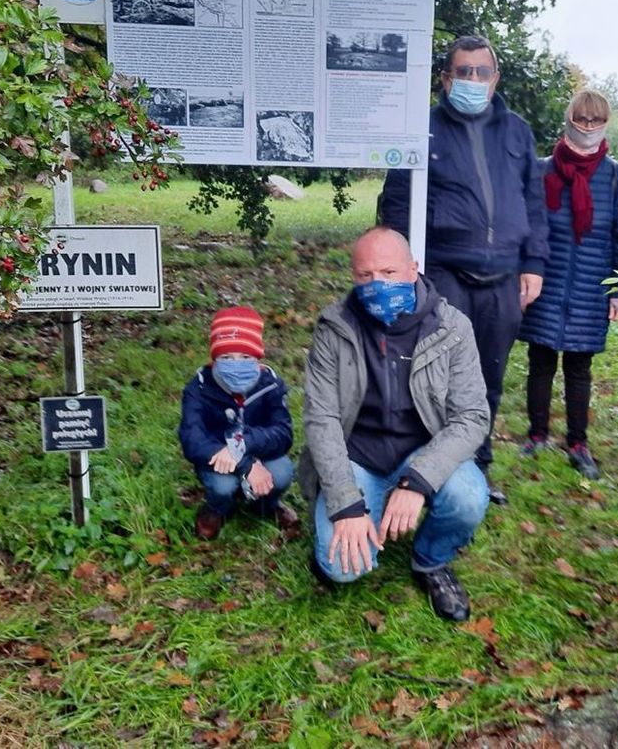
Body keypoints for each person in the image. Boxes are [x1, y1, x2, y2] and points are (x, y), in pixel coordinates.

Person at [379, 34, 548, 505]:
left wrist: (533, 264)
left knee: (488, 378)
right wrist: (400, 272)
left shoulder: (517, 132)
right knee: (437, 376)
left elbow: (534, 203)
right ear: (446, 79)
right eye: (463, 72)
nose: (473, 80)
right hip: (444, 274)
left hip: (504, 280)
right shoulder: (422, 130)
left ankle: (478, 464)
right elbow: (396, 202)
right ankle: (429, 465)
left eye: (482, 72)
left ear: (494, 79)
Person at [299, 227, 490, 621]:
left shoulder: (452, 328)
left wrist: (418, 481)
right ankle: (363, 511)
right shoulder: (334, 327)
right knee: (341, 568)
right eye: (365, 276)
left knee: (469, 497)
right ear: (353, 276)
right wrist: (346, 505)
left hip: (423, 452)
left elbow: (472, 417)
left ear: (413, 268)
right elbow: (322, 419)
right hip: (358, 457)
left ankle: (430, 560)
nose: (377, 285)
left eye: (388, 273)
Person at [517, 89, 618, 480]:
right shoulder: (541, 170)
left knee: (579, 367)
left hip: (591, 285)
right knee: (540, 361)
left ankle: (578, 442)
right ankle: (537, 434)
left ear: (605, 124)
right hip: (546, 280)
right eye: (581, 119)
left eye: (595, 120)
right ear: (569, 119)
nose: (587, 126)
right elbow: (527, 227)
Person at [178, 306, 297, 540]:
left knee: (282, 474)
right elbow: (192, 440)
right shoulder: (198, 388)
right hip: (215, 457)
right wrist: (246, 464)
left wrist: (243, 446)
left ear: (257, 358)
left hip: (258, 450)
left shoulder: (270, 384)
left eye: (245, 357)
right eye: (226, 357)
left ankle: (265, 506)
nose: (236, 364)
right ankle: (218, 509)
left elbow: (284, 433)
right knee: (223, 487)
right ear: (214, 359)